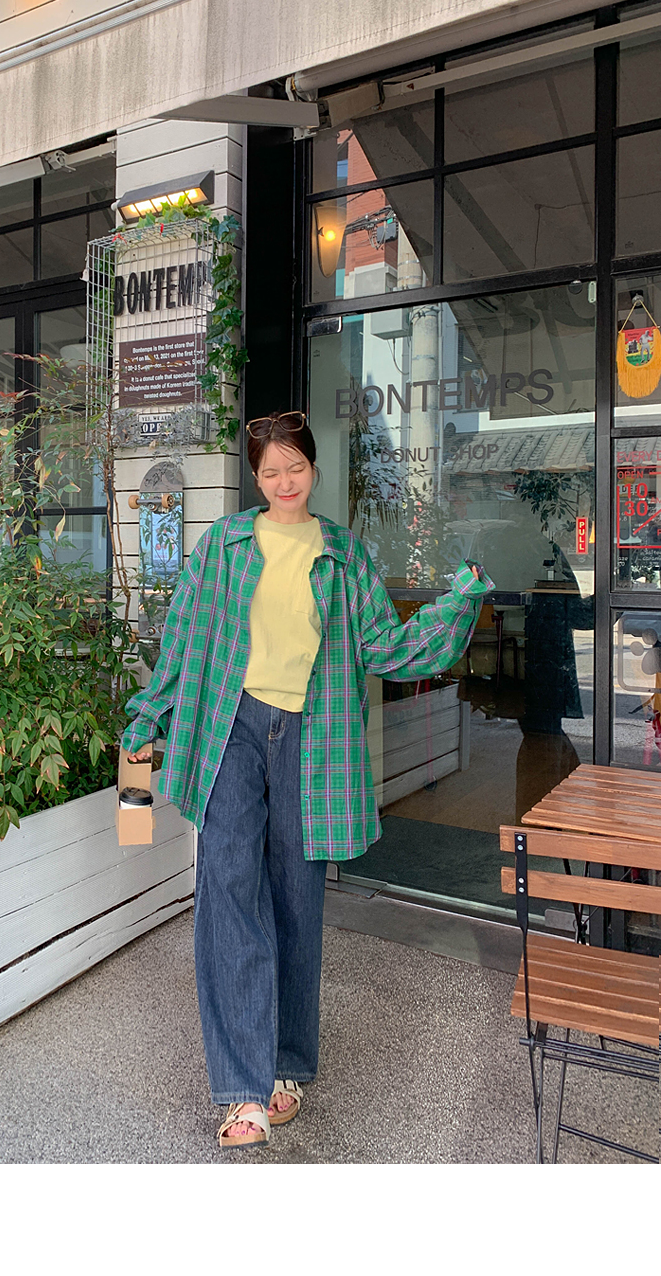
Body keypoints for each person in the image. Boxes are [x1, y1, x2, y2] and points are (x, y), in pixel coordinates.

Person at [121, 410, 492, 1150]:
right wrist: (148, 715)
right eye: (270, 471)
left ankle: (286, 1064)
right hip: (229, 727)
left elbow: (384, 646)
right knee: (229, 895)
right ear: (255, 478)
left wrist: (458, 603)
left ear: (313, 469)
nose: (284, 481)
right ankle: (241, 1090)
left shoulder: (344, 555)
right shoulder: (223, 546)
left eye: (295, 466)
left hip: (311, 736)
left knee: (296, 899)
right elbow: (185, 638)